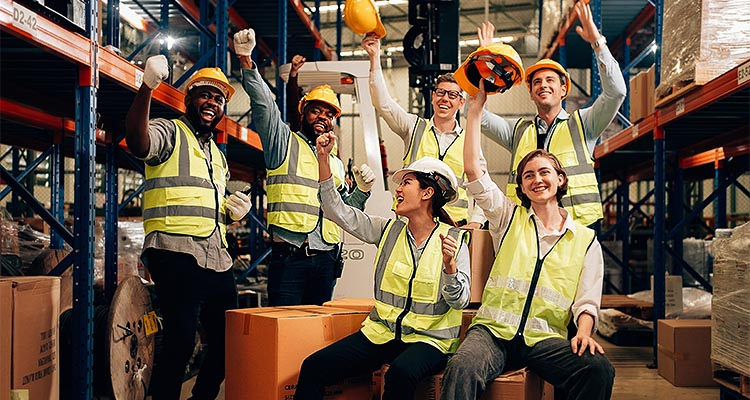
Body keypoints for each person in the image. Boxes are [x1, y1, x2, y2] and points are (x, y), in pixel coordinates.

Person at [439, 78, 614, 400]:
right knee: (462, 365)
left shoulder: (584, 239)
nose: (537, 180)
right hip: (492, 332)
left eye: (545, 172)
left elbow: (587, 299)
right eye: (528, 175)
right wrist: (475, 112)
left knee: (597, 368)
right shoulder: (508, 218)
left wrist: (585, 333)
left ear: (560, 180)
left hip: (543, 339)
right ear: (521, 185)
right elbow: (474, 171)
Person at [294, 132, 471, 400]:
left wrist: (450, 270)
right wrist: (323, 158)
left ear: (427, 192)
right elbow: (335, 210)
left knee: (400, 373)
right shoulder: (387, 230)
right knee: (314, 366)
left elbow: (460, 302)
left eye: (406, 183)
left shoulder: (455, 240)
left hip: (430, 341)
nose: (398, 190)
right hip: (382, 334)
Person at [125, 55, 251, 400]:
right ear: (189, 99)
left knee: (228, 339)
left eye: (219, 98)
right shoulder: (171, 130)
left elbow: (203, 202)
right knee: (180, 340)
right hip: (173, 249)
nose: (212, 103)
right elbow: (138, 143)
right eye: (205, 95)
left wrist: (231, 212)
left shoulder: (217, 154)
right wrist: (146, 88)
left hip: (215, 255)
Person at [233, 29, 374, 306]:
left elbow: (347, 212)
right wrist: (247, 62)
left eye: (329, 113)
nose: (323, 117)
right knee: (283, 334)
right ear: (303, 114)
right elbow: (265, 106)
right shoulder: (283, 143)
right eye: (316, 110)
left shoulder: (333, 161)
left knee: (315, 336)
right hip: (291, 259)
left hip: (327, 261)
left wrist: (363, 191)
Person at [480, 0, 627, 227]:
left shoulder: (584, 124)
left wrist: (598, 43)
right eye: (536, 82)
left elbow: (616, 92)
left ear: (563, 89)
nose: (543, 85)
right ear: (531, 93)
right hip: (525, 228)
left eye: (550, 80)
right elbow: (478, 116)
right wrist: (485, 62)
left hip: (574, 229)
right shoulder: (517, 132)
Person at [361, 33, 487, 228]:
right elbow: (383, 103)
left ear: (461, 103)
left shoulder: (469, 142)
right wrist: (374, 58)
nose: (445, 99)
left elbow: (481, 183)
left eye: (453, 95)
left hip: (453, 226)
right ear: (433, 97)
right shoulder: (412, 127)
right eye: (441, 92)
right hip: (412, 224)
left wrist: (477, 222)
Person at [286, 54, 306, 132]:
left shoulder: (327, 137)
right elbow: (292, 98)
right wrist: (293, 72)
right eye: (315, 111)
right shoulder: (299, 124)